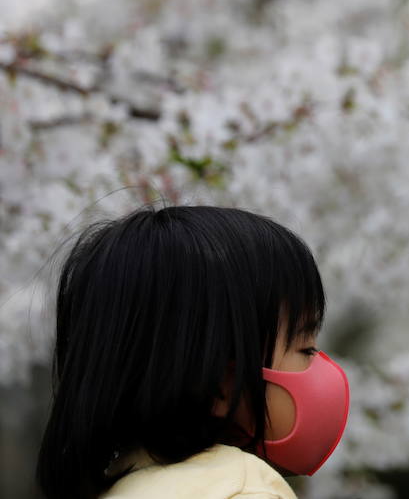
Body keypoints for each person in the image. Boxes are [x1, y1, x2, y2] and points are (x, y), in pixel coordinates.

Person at [36, 205, 350, 499]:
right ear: (220, 382)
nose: (321, 365)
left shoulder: (116, 487)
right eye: (305, 347)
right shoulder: (244, 489)